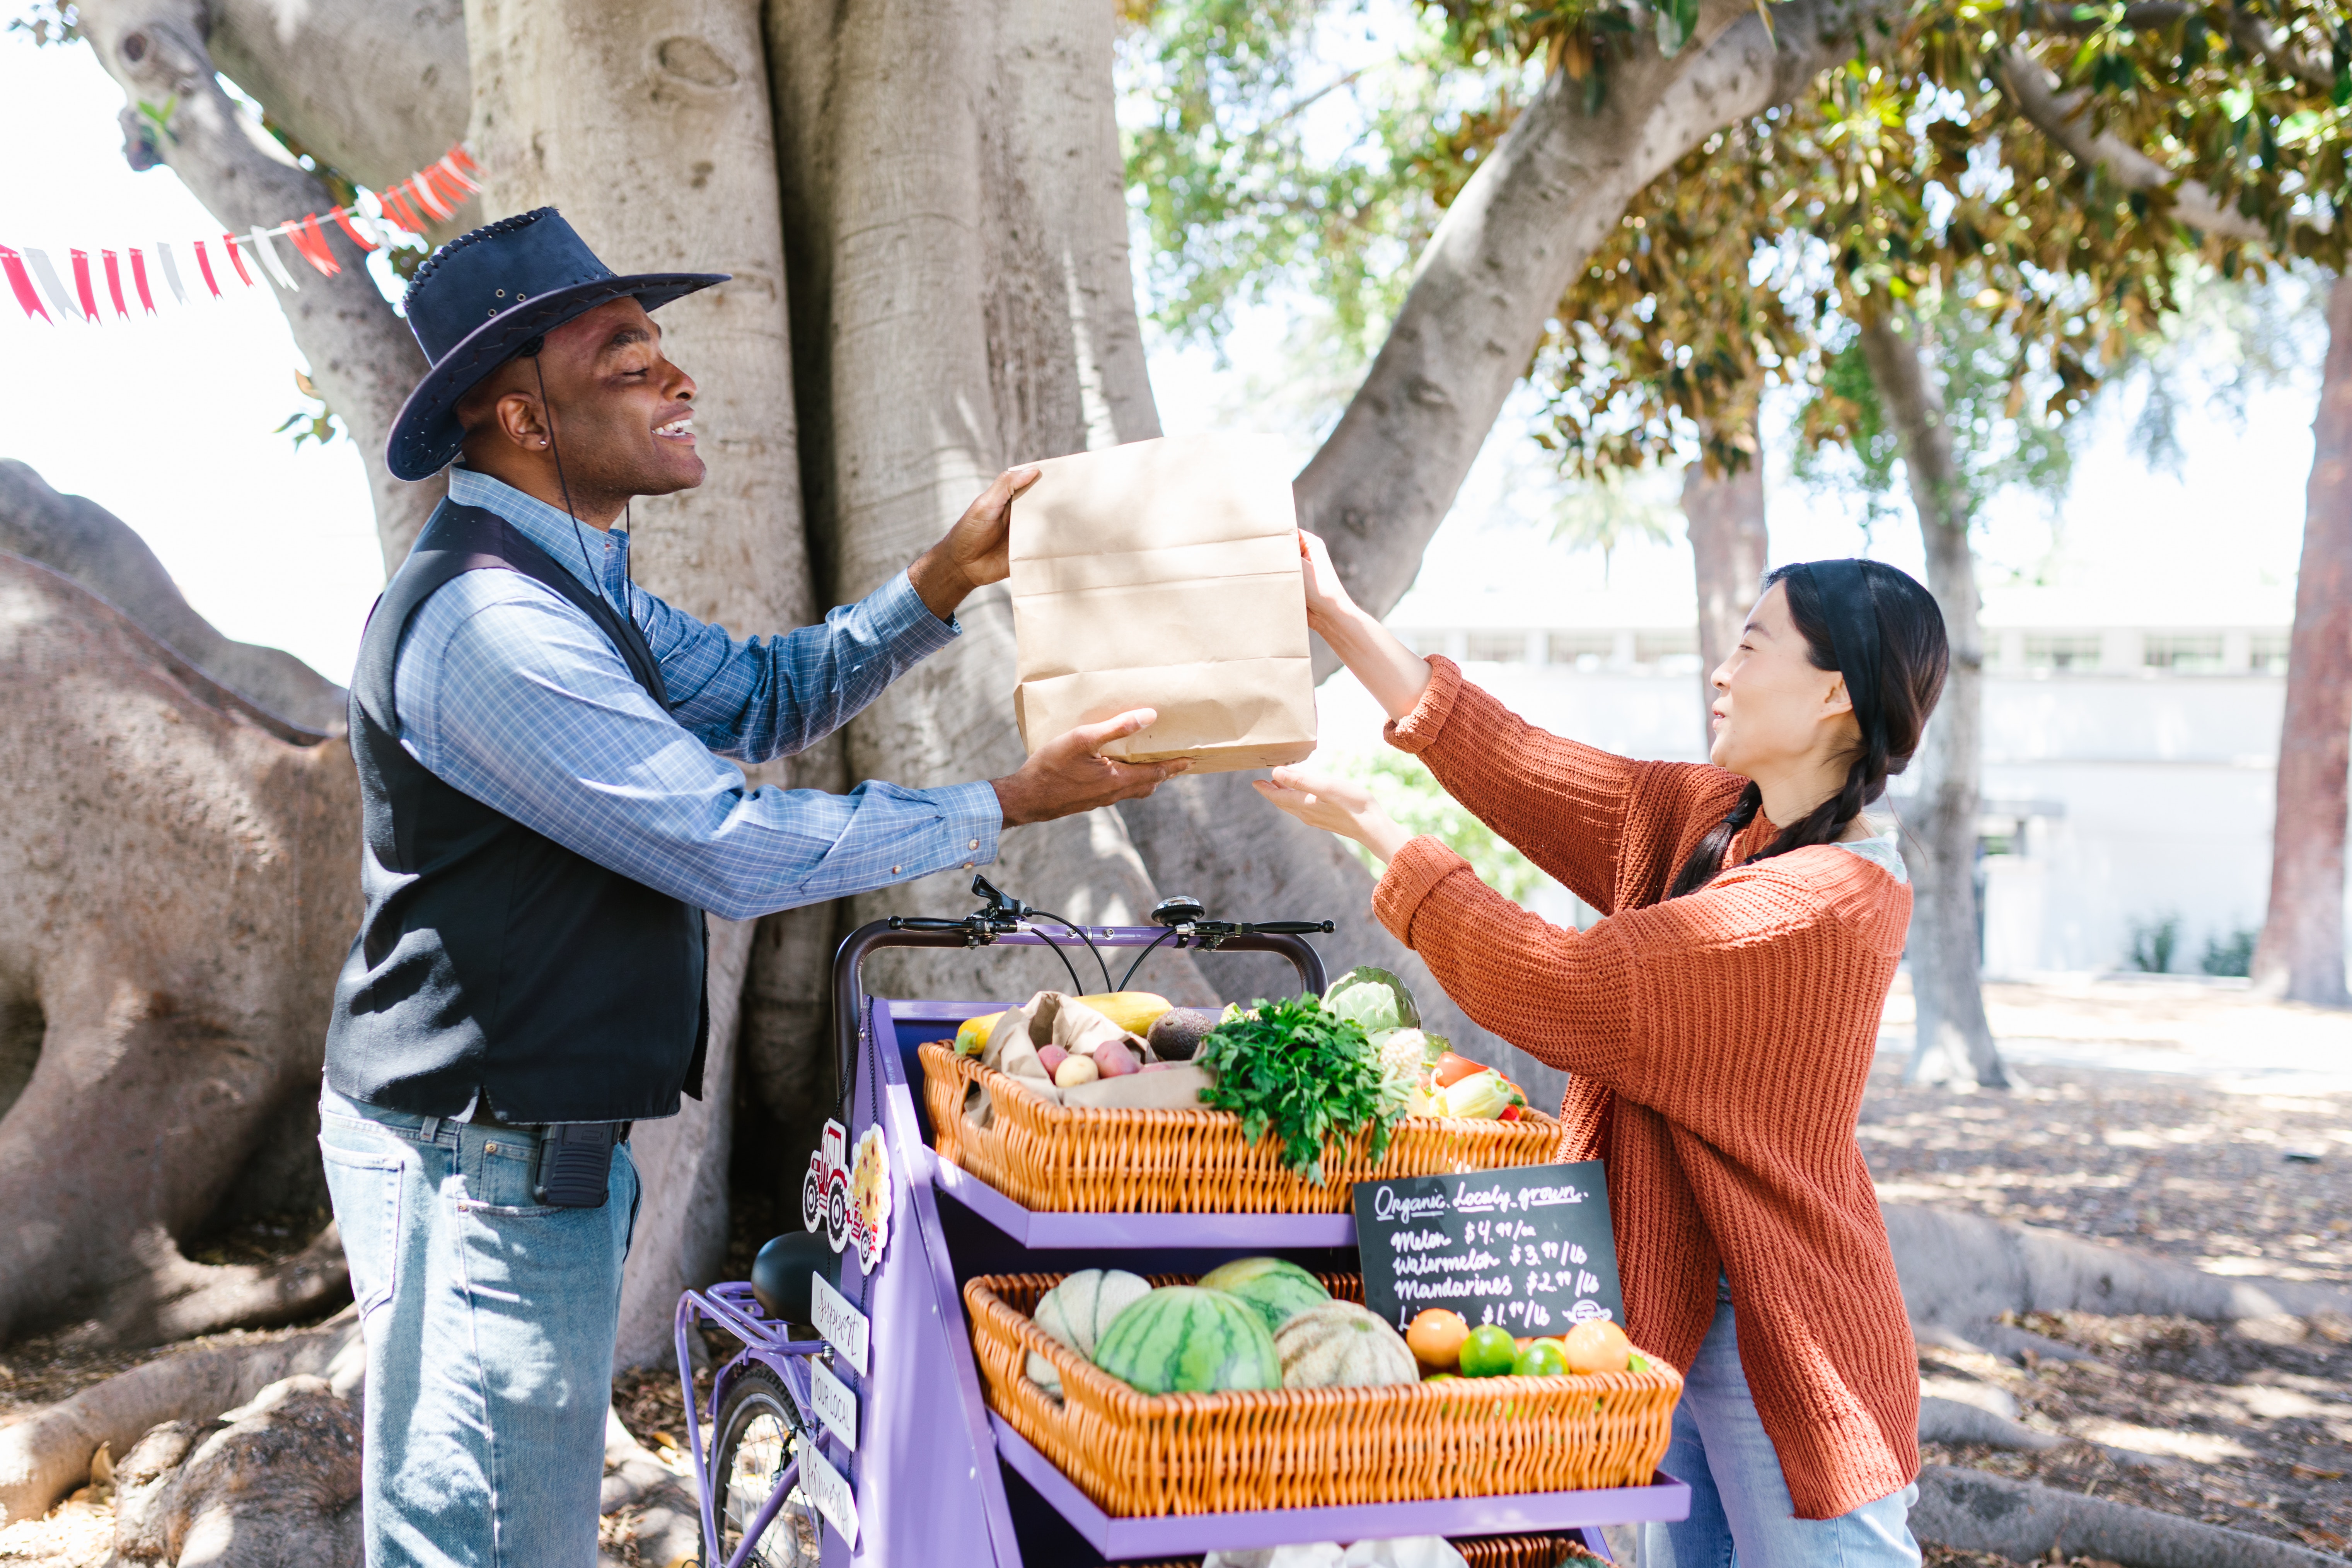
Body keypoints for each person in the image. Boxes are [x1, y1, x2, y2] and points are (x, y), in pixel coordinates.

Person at [319, 208, 1184, 1567]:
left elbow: (765, 693)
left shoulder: (576, 583)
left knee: (502, 1526)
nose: (678, 379)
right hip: (472, 1158)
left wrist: (945, 577)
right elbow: (718, 843)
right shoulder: (495, 622)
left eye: (663, 348)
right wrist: (1006, 802)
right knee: (487, 1545)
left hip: (522, 1149)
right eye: (625, 358)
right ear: (521, 419)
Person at [1258, 532, 1948, 1567]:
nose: (1723, 669)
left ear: (1833, 698)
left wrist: (1380, 833)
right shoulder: (1716, 819)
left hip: (1785, 1335)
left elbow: (1569, 989)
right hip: (1672, 1288)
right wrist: (1334, 613)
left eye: (1754, 648)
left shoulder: (1823, 904)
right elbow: (1516, 763)